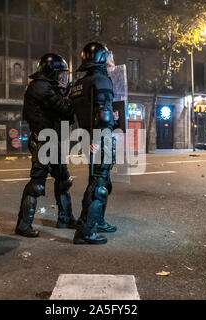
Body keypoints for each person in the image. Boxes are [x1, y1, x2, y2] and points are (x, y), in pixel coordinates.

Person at [15, 53, 76, 238]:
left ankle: (65, 218)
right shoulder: (40, 87)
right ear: (51, 72)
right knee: (37, 184)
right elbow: (65, 110)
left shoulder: (47, 87)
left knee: (63, 179)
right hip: (43, 140)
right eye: (60, 74)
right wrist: (70, 97)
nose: (62, 78)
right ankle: (23, 225)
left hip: (52, 140)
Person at [70, 42, 119, 245]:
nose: (111, 60)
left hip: (87, 137)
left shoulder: (80, 84)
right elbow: (103, 115)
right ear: (100, 58)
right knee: (99, 183)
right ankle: (85, 230)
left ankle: (97, 221)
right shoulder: (102, 80)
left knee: (99, 180)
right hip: (100, 138)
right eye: (108, 56)